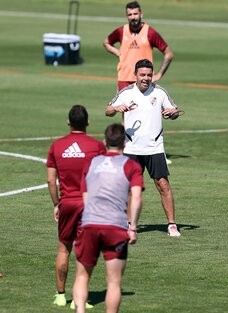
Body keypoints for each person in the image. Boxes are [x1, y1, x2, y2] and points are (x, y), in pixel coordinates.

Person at [105, 58, 182, 237]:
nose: (146, 78)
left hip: (155, 147)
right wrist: (117, 108)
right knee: (130, 188)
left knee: (163, 185)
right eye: (142, 75)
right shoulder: (126, 92)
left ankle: (171, 224)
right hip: (131, 148)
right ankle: (130, 224)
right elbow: (107, 110)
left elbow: (175, 111)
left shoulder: (160, 92)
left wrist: (173, 113)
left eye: (149, 75)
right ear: (135, 75)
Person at [73, 123, 144, 313]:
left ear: (105, 142)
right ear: (125, 144)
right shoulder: (131, 166)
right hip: (115, 227)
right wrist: (133, 227)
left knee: (82, 276)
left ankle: (80, 310)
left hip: (90, 224)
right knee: (114, 282)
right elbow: (136, 197)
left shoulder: (91, 163)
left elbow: (85, 197)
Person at [46, 105, 105, 307]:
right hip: (88, 205)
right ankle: (79, 300)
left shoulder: (57, 146)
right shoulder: (97, 147)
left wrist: (57, 204)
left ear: (68, 122)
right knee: (84, 252)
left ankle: (61, 296)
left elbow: (50, 181)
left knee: (64, 249)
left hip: (67, 203)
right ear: (88, 122)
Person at [103, 1, 174, 92]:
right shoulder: (121, 31)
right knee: (122, 106)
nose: (133, 17)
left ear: (141, 14)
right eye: (130, 14)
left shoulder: (150, 32)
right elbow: (106, 42)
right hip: (124, 80)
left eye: (135, 14)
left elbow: (169, 54)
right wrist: (118, 53)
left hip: (143, 81)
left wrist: (159, 74)